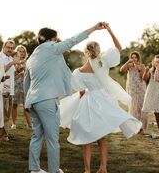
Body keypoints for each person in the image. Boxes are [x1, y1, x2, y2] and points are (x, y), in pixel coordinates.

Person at [24, 22, 107, 173]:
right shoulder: (52, 48)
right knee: (52, 139)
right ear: (51, 39)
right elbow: (73, 40)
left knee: (37, 136)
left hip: (33, 101)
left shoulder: (31, 57)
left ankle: (34, 169)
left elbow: (26, 82)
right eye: (56, 38)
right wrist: (94, 28)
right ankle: (54, 171)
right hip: (47, 100)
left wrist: (26, 103)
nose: (58, 41)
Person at [60, 24, 142, 173]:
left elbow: (80, 90)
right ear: (98, 51)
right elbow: (118, 48)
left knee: (87, 138)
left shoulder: (78, 72)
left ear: (85, 53)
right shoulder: (104, 62)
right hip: (104, 101)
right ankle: (103, 167)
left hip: (88, 102)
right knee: (102, 137)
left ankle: (87, 170)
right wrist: (110, 30)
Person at [120, 51, 147, 133]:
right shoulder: (129, 66)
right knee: (133, 107)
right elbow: (121, 70)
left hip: (140, 88)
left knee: (140, 106)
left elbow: (143, 78)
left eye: (135, 57)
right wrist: (128, 61)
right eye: (132, 57)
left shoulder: (141, 66)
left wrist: (138, 69)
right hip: (131, 88)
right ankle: (134, 126)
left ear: (138, 58)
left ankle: (141, 126)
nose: (134, 59)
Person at [142, 55, 159, 139]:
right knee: (156, 114)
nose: (156, 63)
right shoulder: (151, 70)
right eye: (155, 61)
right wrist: (146, 71)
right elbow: (144, 79)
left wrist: (158, 67)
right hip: (153, 92)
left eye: (158, 61)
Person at [0, 40, 19, 141]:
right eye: (8, 47)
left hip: (10, 89)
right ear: (3, 47)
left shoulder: (10, 57)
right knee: (3, 113)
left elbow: (12, 75)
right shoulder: (0, 57)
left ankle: (4, 134)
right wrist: (12, 63)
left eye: (12, 48)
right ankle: (2, 136)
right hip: (2, 89)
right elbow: (1, 71)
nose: (10, 49)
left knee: (7, 113)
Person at [11, 45, 31, 129]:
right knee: (14, 105)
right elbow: (11, 74)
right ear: (17, 52)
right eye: (20, 51)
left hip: (25, 85)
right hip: (15, 84)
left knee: (26, 105)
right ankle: (13, 123)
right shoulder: (13, 61)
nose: (22, 53)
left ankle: (29, 124)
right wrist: (18, 71)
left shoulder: (29, 62)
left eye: (23, 51)